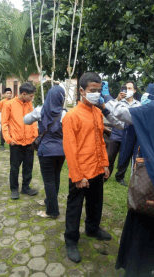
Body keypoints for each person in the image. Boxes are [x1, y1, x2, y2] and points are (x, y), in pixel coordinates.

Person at [100, 83, 154, 277]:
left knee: (142, 217)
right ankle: (150, 265)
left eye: (148, 93)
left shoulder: (153, 109)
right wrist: (106, 110)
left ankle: (137, 268)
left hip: (149, 179)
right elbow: (122, 123)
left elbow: (124, 114)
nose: (144, 96)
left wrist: (108, 97)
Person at [62, 72, 112, 264]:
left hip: (97, 170)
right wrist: (77, 175)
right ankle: (71, 240)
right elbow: (70, 149)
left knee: (96, 203)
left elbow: (101, 141)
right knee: (74, 208)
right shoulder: (72, 117)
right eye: (93, 90)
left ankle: (92, 229)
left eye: (99, 90)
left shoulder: (98, 112)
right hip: (81, 173)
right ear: (82, 91)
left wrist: (105, 164)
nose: (96, 94)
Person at [24, 85, 67, 218]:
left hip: (46, 150)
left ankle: (52, 211)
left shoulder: (40, 110)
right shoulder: (65, 113)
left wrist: (38, 112)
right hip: (61, 151)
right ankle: (49, 201)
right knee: (56, 177)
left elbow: (25, 120)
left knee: (48, 180)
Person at [1, 82, 38, 200]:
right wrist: (8, 139)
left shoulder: (29, 104)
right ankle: (14, 189)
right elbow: (4, 123)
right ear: (23, 93)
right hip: (15, 142)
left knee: (28, 167)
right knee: (15, 167)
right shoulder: (9, 104)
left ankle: (26, 187)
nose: (32, 98)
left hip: (29, 142)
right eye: (31, 96)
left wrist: (35, 136)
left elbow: (33, 120)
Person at [107, 81, 141, 186]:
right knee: (110, 155)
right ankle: (105, 175)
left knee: (125, 157)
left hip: (130, 136)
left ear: (135, 91)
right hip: (117, 133)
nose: (128, 90)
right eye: (126, 88)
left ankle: (120, 177)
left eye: (130, 88)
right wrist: (117, 99)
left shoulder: (139, 104)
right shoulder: (119, 101)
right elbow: (107, 108)